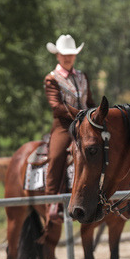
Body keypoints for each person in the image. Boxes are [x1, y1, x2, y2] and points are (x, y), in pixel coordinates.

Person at [44, 34, 95, 208]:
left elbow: (90, 102)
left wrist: (97, 114)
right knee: (57, 155)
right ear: (57, 55)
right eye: (64, 54)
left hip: (86, 124)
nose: (67, 58)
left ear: (75, 56)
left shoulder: (82, 76)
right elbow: (56, 107)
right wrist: (81, 113)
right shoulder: (52, 78)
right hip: (64, 127)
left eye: (71, 54)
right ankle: (52, 201)